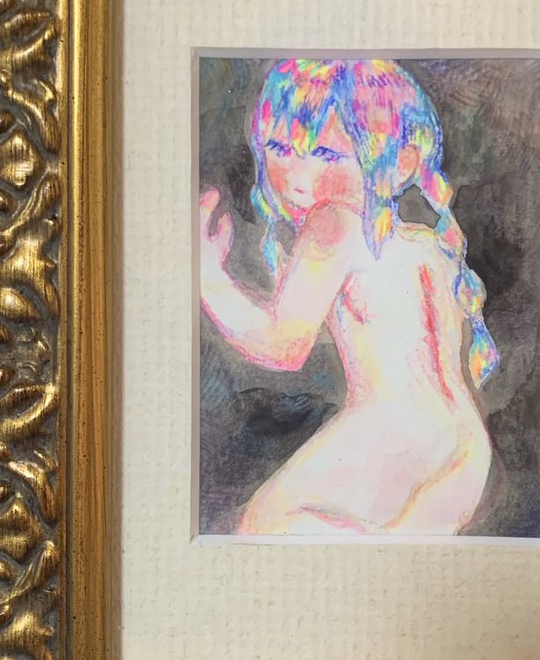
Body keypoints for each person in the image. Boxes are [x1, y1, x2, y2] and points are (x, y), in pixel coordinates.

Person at [199, 58, 498, 535]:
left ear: (398, 163)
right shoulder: (425, 244)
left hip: (391, 436)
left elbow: (283, 345)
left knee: (263, 525)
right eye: (280, 148)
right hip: (465, 451)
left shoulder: (333, 223)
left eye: (327, 154)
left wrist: (207, 276)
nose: (298, 176)